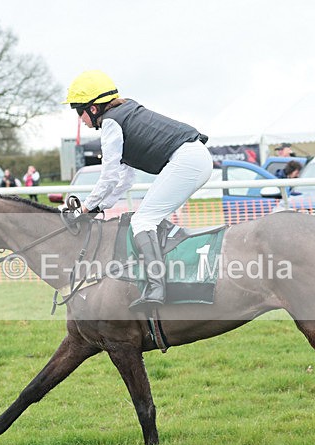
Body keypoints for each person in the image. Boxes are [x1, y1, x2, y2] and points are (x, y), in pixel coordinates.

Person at [64, 69, 212, 311]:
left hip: (187, 160)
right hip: (193, 157)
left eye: (79, 112)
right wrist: (100, 205)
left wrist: (87, 206)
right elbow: (124, 180)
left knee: (143, 221)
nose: (80, 119)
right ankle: (174, 274)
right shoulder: (124, 113)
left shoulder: (111, 123)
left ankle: (157, 287)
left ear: (93, 108)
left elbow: (109, 175)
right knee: (151, 219)